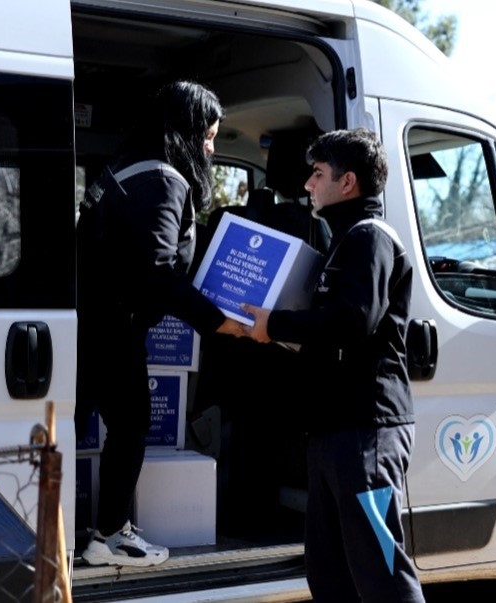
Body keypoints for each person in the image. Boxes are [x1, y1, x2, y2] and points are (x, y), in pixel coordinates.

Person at [241, 128, 425, 602]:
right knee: (329, 573)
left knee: (381, 571)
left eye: (318, 174)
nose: (308, 184)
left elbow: (353, 320)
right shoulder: (344, 240)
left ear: (348, 182)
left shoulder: (369, 238)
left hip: (367, 432)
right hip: (334, 430)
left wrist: (276, 324)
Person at [75, 80, 245, 567]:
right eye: (207, 137)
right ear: (185, 131)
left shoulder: (126, 167)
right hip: (113, 328)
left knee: (80, 422)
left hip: (88, 323)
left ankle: (76, 533)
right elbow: (157, 274)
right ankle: (110, 538)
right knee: (131, 426)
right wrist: (218, 322)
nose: (210, 149)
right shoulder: (163, 180)